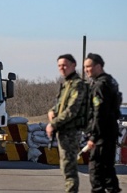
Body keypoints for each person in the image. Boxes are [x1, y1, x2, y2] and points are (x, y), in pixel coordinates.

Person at [46, 54, 86, 193]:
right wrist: (51, 112)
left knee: (69, 169)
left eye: (65, 65)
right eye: (59, 66)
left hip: (71, 132)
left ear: (73, 65)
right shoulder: (66, 84)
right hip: (63, 132)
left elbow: (72, 110)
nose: (62, 68)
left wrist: (53, 124)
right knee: (65, 168)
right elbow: (59, 106)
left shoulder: (77, 84)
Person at [84, 53, 122, 193]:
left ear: (98, 66)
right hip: (110, 132)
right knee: (108, 170)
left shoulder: (100, 85)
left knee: (96, 171)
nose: (86, 70)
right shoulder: (111, 81)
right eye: (85, 67)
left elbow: (99, 113)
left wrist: (94, 136)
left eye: (89, 67)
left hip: (102, 135)